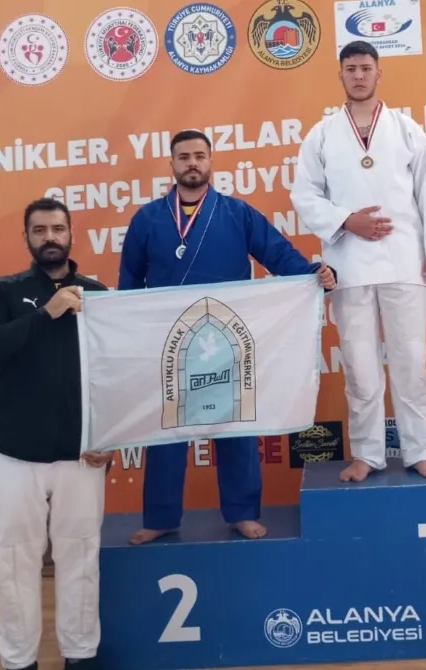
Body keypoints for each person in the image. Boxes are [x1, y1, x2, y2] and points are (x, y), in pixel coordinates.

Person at [119, 129, 336, 545]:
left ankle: (242, 512)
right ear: (172, 163)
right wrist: (130, 332)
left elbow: (277, 253)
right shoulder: (147, 219)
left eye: (199, 155)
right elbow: (129, 283)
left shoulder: (237, 213)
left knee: (235, 426)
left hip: (226, 336)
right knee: (166, 432)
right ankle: (161, 517)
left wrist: (312, 274)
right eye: (184, 157)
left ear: (211, 161)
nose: (192, 163)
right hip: (169, 341)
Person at [290, 40, 426, 483]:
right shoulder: (321, 134)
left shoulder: (407, 130)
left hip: (405, 261)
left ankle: (419, 450)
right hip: (349, 264)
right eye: (351, 69)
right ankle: (367, 453)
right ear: (341, 75)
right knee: (360, 366)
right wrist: (348, 221)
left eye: (366, 68)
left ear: (379, 72)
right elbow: (304, 194)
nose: (359, 75)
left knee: (410, 361)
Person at [0, 198, 111, 670]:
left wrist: (108, 437)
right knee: (16, 562)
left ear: (71, 234)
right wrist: (46, 312)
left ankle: (80, 655)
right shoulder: (4, 291)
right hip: (15, 454)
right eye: (40, 230)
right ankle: (19, 660)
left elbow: (114, 373)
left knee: (81, 558)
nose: (50, 237)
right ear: (26, 237)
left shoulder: (97, 293)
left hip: (81, 454)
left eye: (58, 229)